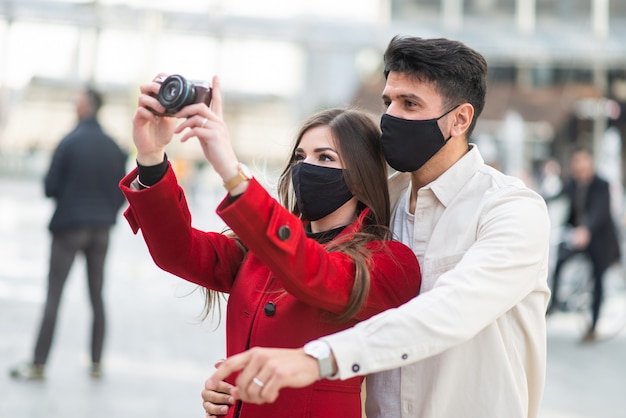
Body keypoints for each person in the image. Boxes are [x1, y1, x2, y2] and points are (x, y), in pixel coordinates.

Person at [203, 35, 552, 418]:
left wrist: (315, 360)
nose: (391, 117)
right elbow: (314, 273)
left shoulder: (511, 210)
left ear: (460, 119)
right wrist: (240, 386)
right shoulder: (381, 203)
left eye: (410, 104)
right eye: (389, 102)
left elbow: (452, 309)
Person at [118, 73, 421, 418]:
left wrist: (231, 169)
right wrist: (151, 156)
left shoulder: (390, 262)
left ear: (362, 174)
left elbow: (315, 274)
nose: (306, 167)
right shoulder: (259, 250)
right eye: (300, 157)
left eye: (325, 158)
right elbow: (179, 250)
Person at [10, 88, 128, 380]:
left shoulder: (68, 141)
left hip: (68, 229)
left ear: (85, 106)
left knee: (54, 296)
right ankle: (97, 363)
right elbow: (123, 193)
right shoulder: (115, 148)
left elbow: (50, 187)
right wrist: (104, 212)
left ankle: (39, 364)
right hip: (101, 230)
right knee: (97, 295)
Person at [547, 146, 621, 342]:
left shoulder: (601, 185)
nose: (580, 167)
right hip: (578, 237)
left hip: (599, 240)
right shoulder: (572, 183)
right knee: (560, 258)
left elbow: (599, 210)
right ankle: (552, 304)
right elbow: (556, 196)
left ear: (590, 163)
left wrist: (586, 229)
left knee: (598, 281)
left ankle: (593, 327)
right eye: (576, 163)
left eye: (583, 162)